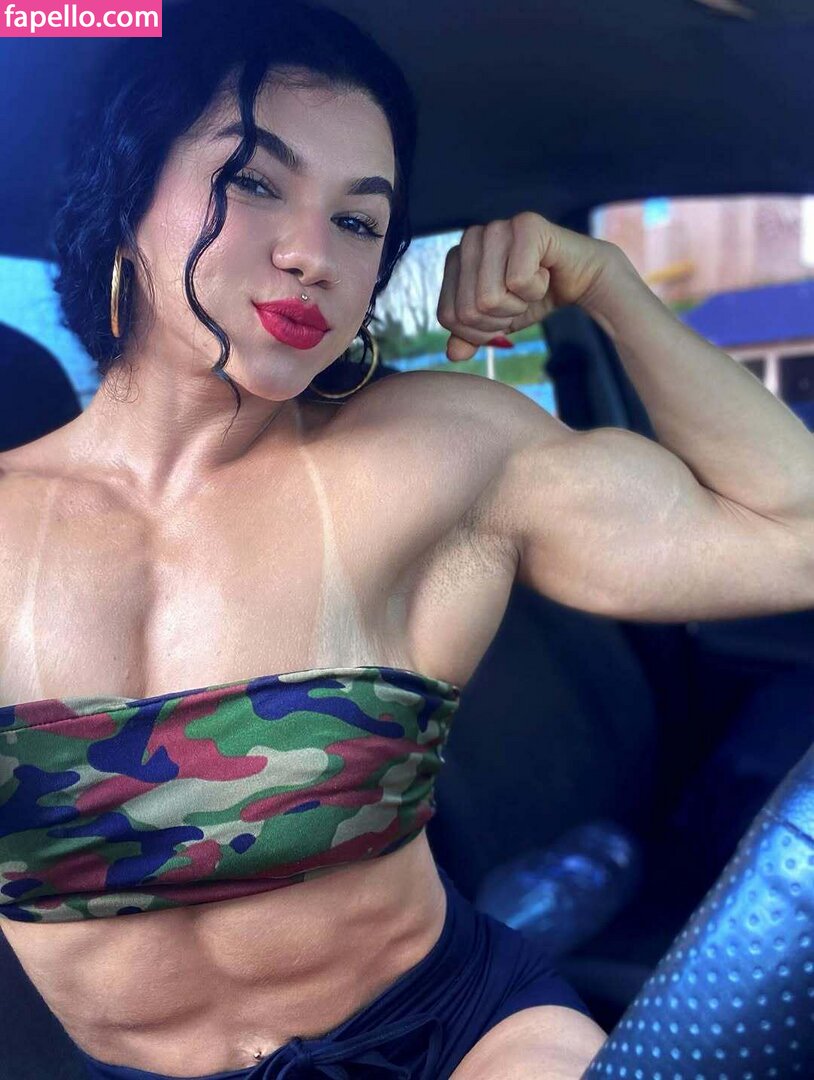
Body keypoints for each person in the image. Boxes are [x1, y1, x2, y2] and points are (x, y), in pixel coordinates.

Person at [0, 1, 812, 1078]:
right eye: (253, 180)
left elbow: (795, 535)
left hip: (458, 1033)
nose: (311, 255)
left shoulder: (440, 452)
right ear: (128, 188)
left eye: (358, 221)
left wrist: (609, 288)